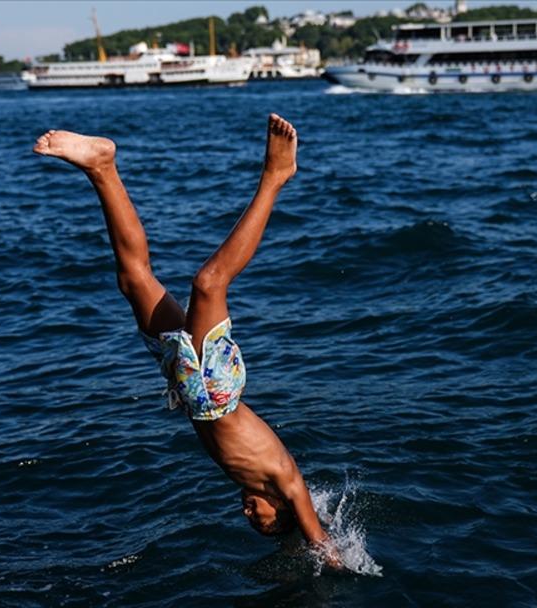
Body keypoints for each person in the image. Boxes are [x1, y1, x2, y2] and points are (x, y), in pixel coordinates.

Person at [33, 114, 341, 566]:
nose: (248, 513)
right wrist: (331, 558)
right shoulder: (286, 483)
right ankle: (276, 176)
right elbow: (317, 534)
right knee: (209, 283)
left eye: (249, 520)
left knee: (134, 279)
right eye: (260, 520)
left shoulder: (253, 482)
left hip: (188, 385)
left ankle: (102, 168)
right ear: (284, 512)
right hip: (216, 391)